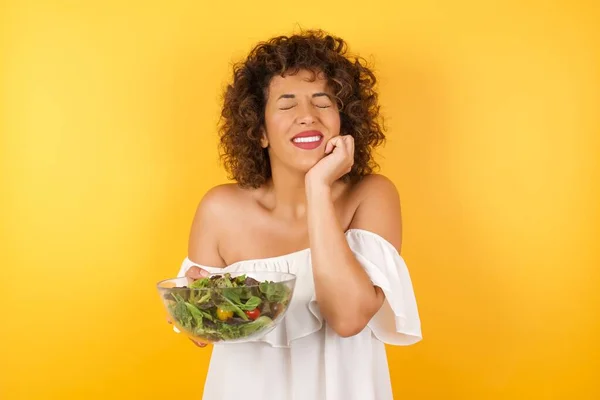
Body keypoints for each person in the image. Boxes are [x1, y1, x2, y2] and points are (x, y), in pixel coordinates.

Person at [175, 29, 422, 400]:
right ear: (259, 131)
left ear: (344, 123)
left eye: (323, 102)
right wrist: (198, 309)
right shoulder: (219, 210)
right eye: (287, 104)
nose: (307, 116)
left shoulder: (371, 196)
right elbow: (202, 332)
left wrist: (318, 186)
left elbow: (349, 317)